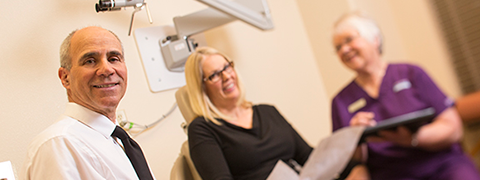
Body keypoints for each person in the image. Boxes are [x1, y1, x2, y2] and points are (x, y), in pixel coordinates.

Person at [330, 12, 480, 180]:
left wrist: (414, 138)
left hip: (442, 164)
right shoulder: (340, 102)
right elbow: (349, 162)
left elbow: (453, 129)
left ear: (374, 39)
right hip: (392, 174)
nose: (344, 49)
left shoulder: (411, 73)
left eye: (349, 40)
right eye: (338, 47)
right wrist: (354, 137)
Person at [22, 26, 155, 179]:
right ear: (65, 77)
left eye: (113, 59)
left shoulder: (117, 139)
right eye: (90, 61)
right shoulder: (59, 145)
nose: (107, 69)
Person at [184, 46, 313, 180]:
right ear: (202, 88)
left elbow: (308, 157)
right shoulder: (202, 129)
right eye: (215, 75)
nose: (227, 76)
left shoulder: (268, 111)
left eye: (227, 67)